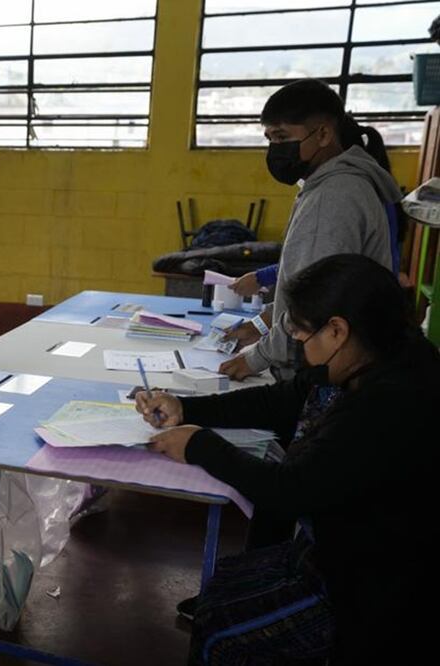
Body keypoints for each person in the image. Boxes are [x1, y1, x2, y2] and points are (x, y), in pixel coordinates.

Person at [137, 254, 439, 665]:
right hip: (335, 550)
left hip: (367, 589)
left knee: (221, 635)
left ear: (337, 330)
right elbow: (280, 399)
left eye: (303, 336)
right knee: (221, 587)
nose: (301, 348)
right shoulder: (377, 353)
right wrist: (187, 409)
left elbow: (290, 489)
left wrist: (198, 445)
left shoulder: (390, 402)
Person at [217, 79, 401, 381]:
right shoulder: (334, 185)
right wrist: (262, 325)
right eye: (269, 138)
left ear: (324, 133)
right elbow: (306, 287)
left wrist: (256, 359)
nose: (275, 149)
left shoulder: (334, 196)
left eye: (282, 136)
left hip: (324, 370)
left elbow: (315, 306)